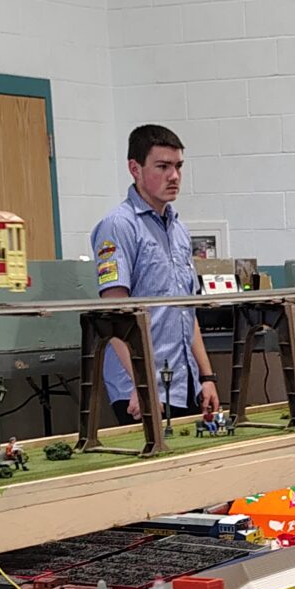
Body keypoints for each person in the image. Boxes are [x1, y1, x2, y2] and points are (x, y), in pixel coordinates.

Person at [91, 124, 218, 423]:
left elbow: (187, 311)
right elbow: (114, 315)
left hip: (184, 384)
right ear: (134, 168)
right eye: (162, 166)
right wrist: (143, 383)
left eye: (178, 166)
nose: (174, 176)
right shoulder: (118, 226)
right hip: (140, 389)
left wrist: (207, 376)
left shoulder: (179, 230)